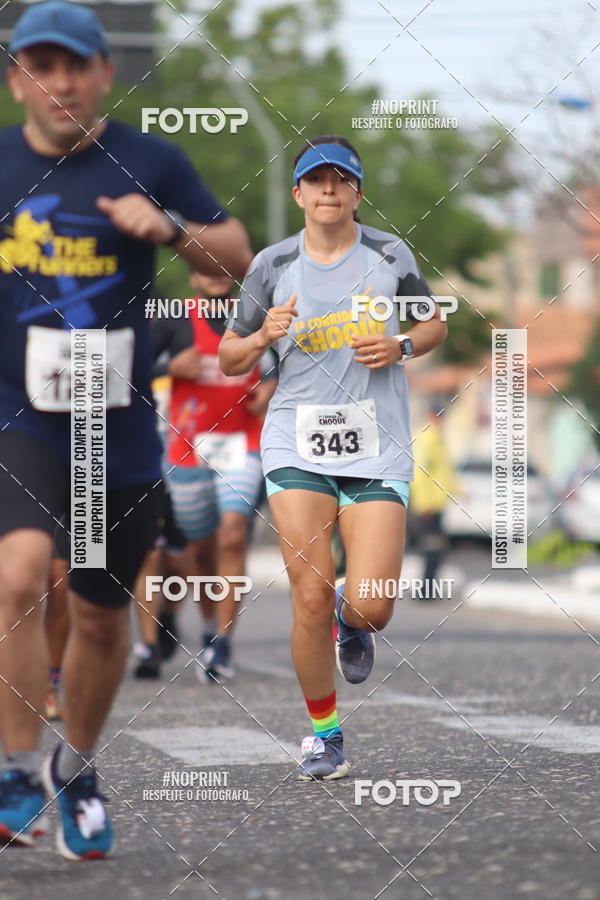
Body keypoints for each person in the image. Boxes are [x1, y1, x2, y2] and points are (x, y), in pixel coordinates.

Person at [0, 1, 252, 858]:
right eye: (40, 66)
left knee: (105, 617)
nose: (59, 83)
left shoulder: (151, 159)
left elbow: (236, 258)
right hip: (18, 413)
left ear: (105, 73)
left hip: (118, 428)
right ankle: (14, 769)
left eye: (75, 66)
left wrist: (172, 230)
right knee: (21, 573)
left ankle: (75, 768)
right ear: (17, 80)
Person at [219, 136, 447, 780]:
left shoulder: (390, 254)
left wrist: (401, 345)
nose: (327, 191)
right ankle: (324, 734)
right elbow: (229, 358)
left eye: (339, 181)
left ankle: (357, 620)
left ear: (356, 193)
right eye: (314, 181)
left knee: (371, 604)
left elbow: (434, 325)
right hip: (296, 440)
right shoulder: (271, 265)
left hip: (377, 446)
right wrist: (263, 333)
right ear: (297, 194)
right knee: (309, 594)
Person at [153, 270, 277, 681]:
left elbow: (276, 365)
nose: (215, 273)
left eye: (222, 266)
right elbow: (132, 365)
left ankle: (223, 642)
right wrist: (171, 365)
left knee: (232, 532)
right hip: (187, 448)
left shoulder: (253, 318)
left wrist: (269, 388)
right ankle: (208, 628)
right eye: (204, 267)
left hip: (243, 442)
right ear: (193, 278)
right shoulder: (175, 319)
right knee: (201, 550)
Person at [410, 407, 457, 599]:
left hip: (437, 505)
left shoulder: (438, 438)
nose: (441, 420)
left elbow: (444, 471)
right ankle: (425, 592)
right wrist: (424, 503)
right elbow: (419, 472)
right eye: (438, 415)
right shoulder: (428, 438)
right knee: (431, 549)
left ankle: (428, 590)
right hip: (428, 506)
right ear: (430, 416)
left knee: (436, 549)